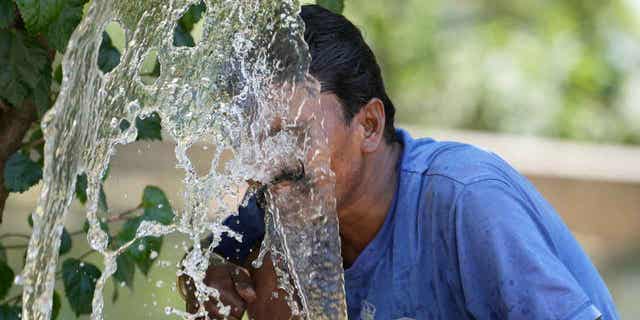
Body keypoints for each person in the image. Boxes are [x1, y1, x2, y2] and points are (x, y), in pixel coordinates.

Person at [179, 4, 619, 320]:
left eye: (295, 134)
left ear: (369, 124)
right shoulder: (286, 195)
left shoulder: (466, 200)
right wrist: (213, 273)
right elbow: (206, 257)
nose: (269, 161)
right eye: (259, 140)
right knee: (269, 279)